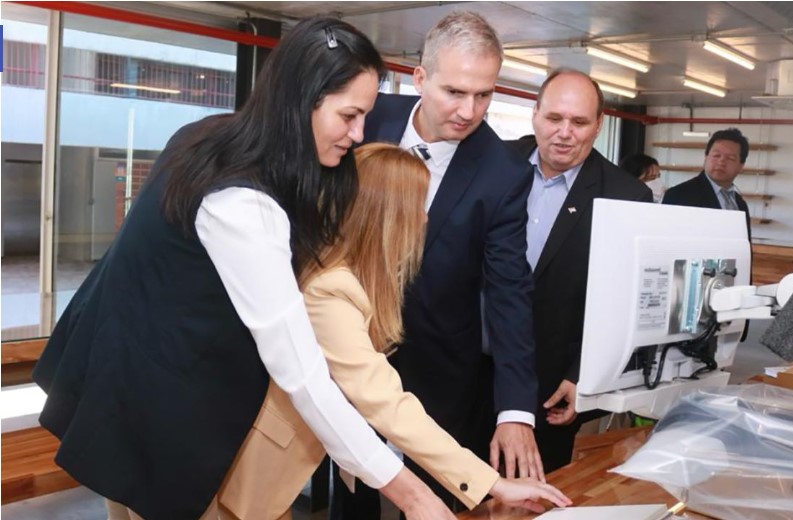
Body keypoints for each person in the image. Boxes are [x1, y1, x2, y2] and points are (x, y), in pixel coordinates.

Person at [33, 17, 455, 520]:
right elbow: (302, 374)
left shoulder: (207, 135)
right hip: (160, 417)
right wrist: (413, 495)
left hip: (127, 392)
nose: (358, 133)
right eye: (349, 115)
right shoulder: (243, 204)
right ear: (303, 101)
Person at [218, 143, 571, 520]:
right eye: (418, 205)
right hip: (254, 471)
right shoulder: (329, 289)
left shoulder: (350, 275)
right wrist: (491, 484)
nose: (424, 219)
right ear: (387, 216)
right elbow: (385, 401)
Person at [331, 11, 541, 517]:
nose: (470, 111)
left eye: (485, 94)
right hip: (346, 343)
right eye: (454, 92)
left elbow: (510, 288)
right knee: (352, 487)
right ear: (419, 78)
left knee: (433, 499)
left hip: (440, 364)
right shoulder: (365, 118)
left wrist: (516, 410)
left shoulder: (503, 171)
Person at [506, 69, 653, 472]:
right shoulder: (497, 163)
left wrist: (583, 376)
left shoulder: (626, 196)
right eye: (554, 119)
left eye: (579, 122)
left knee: (530, 496)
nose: (564, 133)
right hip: (467, 368)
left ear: (599, 125)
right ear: (534, 115)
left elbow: (623, 303)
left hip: (552, 382)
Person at [662, 128, 752, 238]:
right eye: (716, 155)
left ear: (741, 166)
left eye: (730, 158)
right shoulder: (679, 195)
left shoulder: (740, 203)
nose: (721, 162)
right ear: (706, 157)